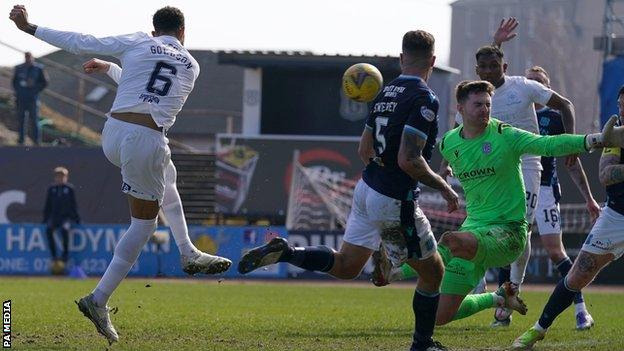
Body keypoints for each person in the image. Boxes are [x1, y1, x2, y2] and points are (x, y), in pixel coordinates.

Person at [9, 5, 231, 344]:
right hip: (145, 139)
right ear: (183, 33)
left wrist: (29, 28)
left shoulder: (140, 42)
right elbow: (157, 87)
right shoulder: (191, 64)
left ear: (154, 30)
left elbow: (84, 42)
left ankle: (188, 251)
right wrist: (114, 69)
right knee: (144, 225)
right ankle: (98, 300)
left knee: (167, 173)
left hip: (113, 133)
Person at [238, 30, 459, 351]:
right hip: (393, 198)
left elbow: (364, 149)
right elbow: (409, 159)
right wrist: (444, 187)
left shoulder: (385, 93)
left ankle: (286, 253)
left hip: (366, 189)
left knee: (347, 266)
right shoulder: (423, 97)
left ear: (401, 58)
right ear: (433, 61)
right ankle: (422, 344)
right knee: (433, 273)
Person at [382, 19, 582, 328]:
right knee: (469, 236)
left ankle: (513, 284)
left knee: (522, 229)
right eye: (483, 67)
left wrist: (576, 144)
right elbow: (459, 130)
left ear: (505, 65)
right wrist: (446, 167)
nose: (489, 70)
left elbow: (563, 106)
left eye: (494, 65)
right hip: (492, 167)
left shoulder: (523, 86)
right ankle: (490, 293)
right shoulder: (475, 100)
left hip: (526, 161)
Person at [384, 80, 622, 329]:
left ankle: (397, 270)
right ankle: (498, 298)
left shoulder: (504, 134)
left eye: (488, 104)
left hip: (508, 234)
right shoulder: (449, 142)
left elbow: (548, 144)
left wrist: (594, 140)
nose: (485, 109)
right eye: (478, 105)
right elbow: (442, 161)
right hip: (473, 234)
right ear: (460, 109)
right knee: (436, 316)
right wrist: (444, 182)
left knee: (449, 241)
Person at [511, 87, 624, 349]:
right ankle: (538, 329)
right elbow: (606, 176)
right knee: (578, 274)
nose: (621, 110)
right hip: (617, 215)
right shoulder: (617, 132)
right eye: (620, 104)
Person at [525, 66, 600, 330]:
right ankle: (502, 309)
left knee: (555, 251)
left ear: (546, 89)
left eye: (538, 82)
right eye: (529, 81)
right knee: (511, 246)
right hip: (515, 187)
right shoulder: (513, 113)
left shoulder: (554, 119)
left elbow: (571, 162)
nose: (532, 85)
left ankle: (581, 309)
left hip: (545, 189)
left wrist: (589, 198)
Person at [43, 166, 80, 272]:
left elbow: (74, 205)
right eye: (58, 176)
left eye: (62, 176)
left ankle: (65, 256)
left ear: (66, 177)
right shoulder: (51, 189)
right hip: (54, 218)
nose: (60, 178)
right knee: (49, 230)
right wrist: (45, 218)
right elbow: (48, 205)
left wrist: (76, 218)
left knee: (65, 230)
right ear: (55, 178)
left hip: (66, 218)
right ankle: (54, 256)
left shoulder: (69, 189)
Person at [12, 51, 47, 145]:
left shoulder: (38, 68)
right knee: (21, 120)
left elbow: (44, 83)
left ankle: (36, 141)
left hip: (33, 99)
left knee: (34, 120)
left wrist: (34, 88)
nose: (28, 59)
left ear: (32, 58)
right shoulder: (19, 68)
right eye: (26, 57)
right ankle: (21, 141)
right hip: (21, 98)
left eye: (29, 57)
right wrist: (19, 91)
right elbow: (14, 82)